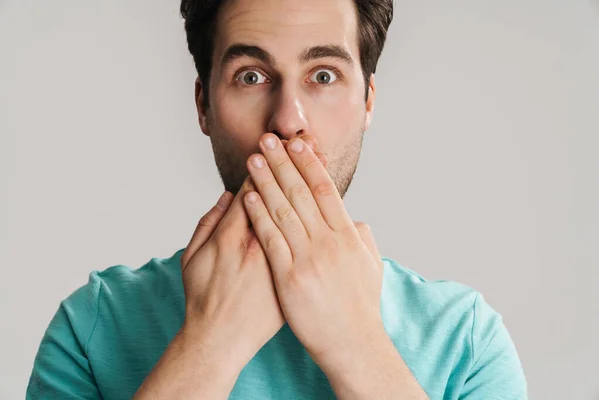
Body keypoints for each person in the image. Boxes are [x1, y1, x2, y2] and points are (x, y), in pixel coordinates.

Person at [26, 0, 528, 398]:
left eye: (324, 75)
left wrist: (356, 344)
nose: (288, 122)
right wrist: (210, 345)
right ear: (204, 106)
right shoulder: (93, 326)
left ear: (368, 102)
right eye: (251, 76)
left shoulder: (466, 339)